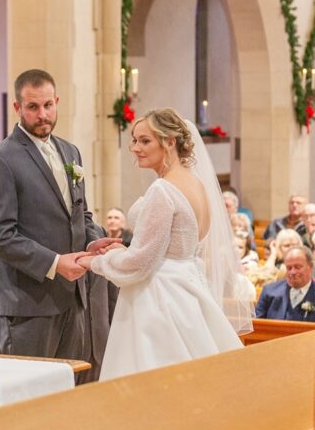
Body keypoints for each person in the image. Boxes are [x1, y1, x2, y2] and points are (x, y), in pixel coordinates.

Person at [76, 108, 250, 380]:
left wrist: (93, 262)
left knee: (150, 378)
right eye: (134, 140)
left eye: (145, 141)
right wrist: (121, 250)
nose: (135, 148)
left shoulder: (163, 190)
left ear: (170, 142)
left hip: (158, 298)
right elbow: (170, 247)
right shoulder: (196, 184)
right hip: (188, 287)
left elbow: (139, 263)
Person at [0, 69, 114, 364]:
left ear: (57, 102)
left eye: (48, 105)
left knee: (66, 396)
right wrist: (54, 263)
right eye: (33, 107)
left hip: (72, 299)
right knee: (28, 397)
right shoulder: (0, 159)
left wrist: (92, 242)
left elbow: (80, 212)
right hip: (27, 305)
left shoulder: (70, 152)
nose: (42, 115)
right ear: (17, 108)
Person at [254, 247, 315, 323]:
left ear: (310, 267)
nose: (293, 272)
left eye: (297, 267)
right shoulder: (269, 292)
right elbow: (257, 327)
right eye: (289, 268)